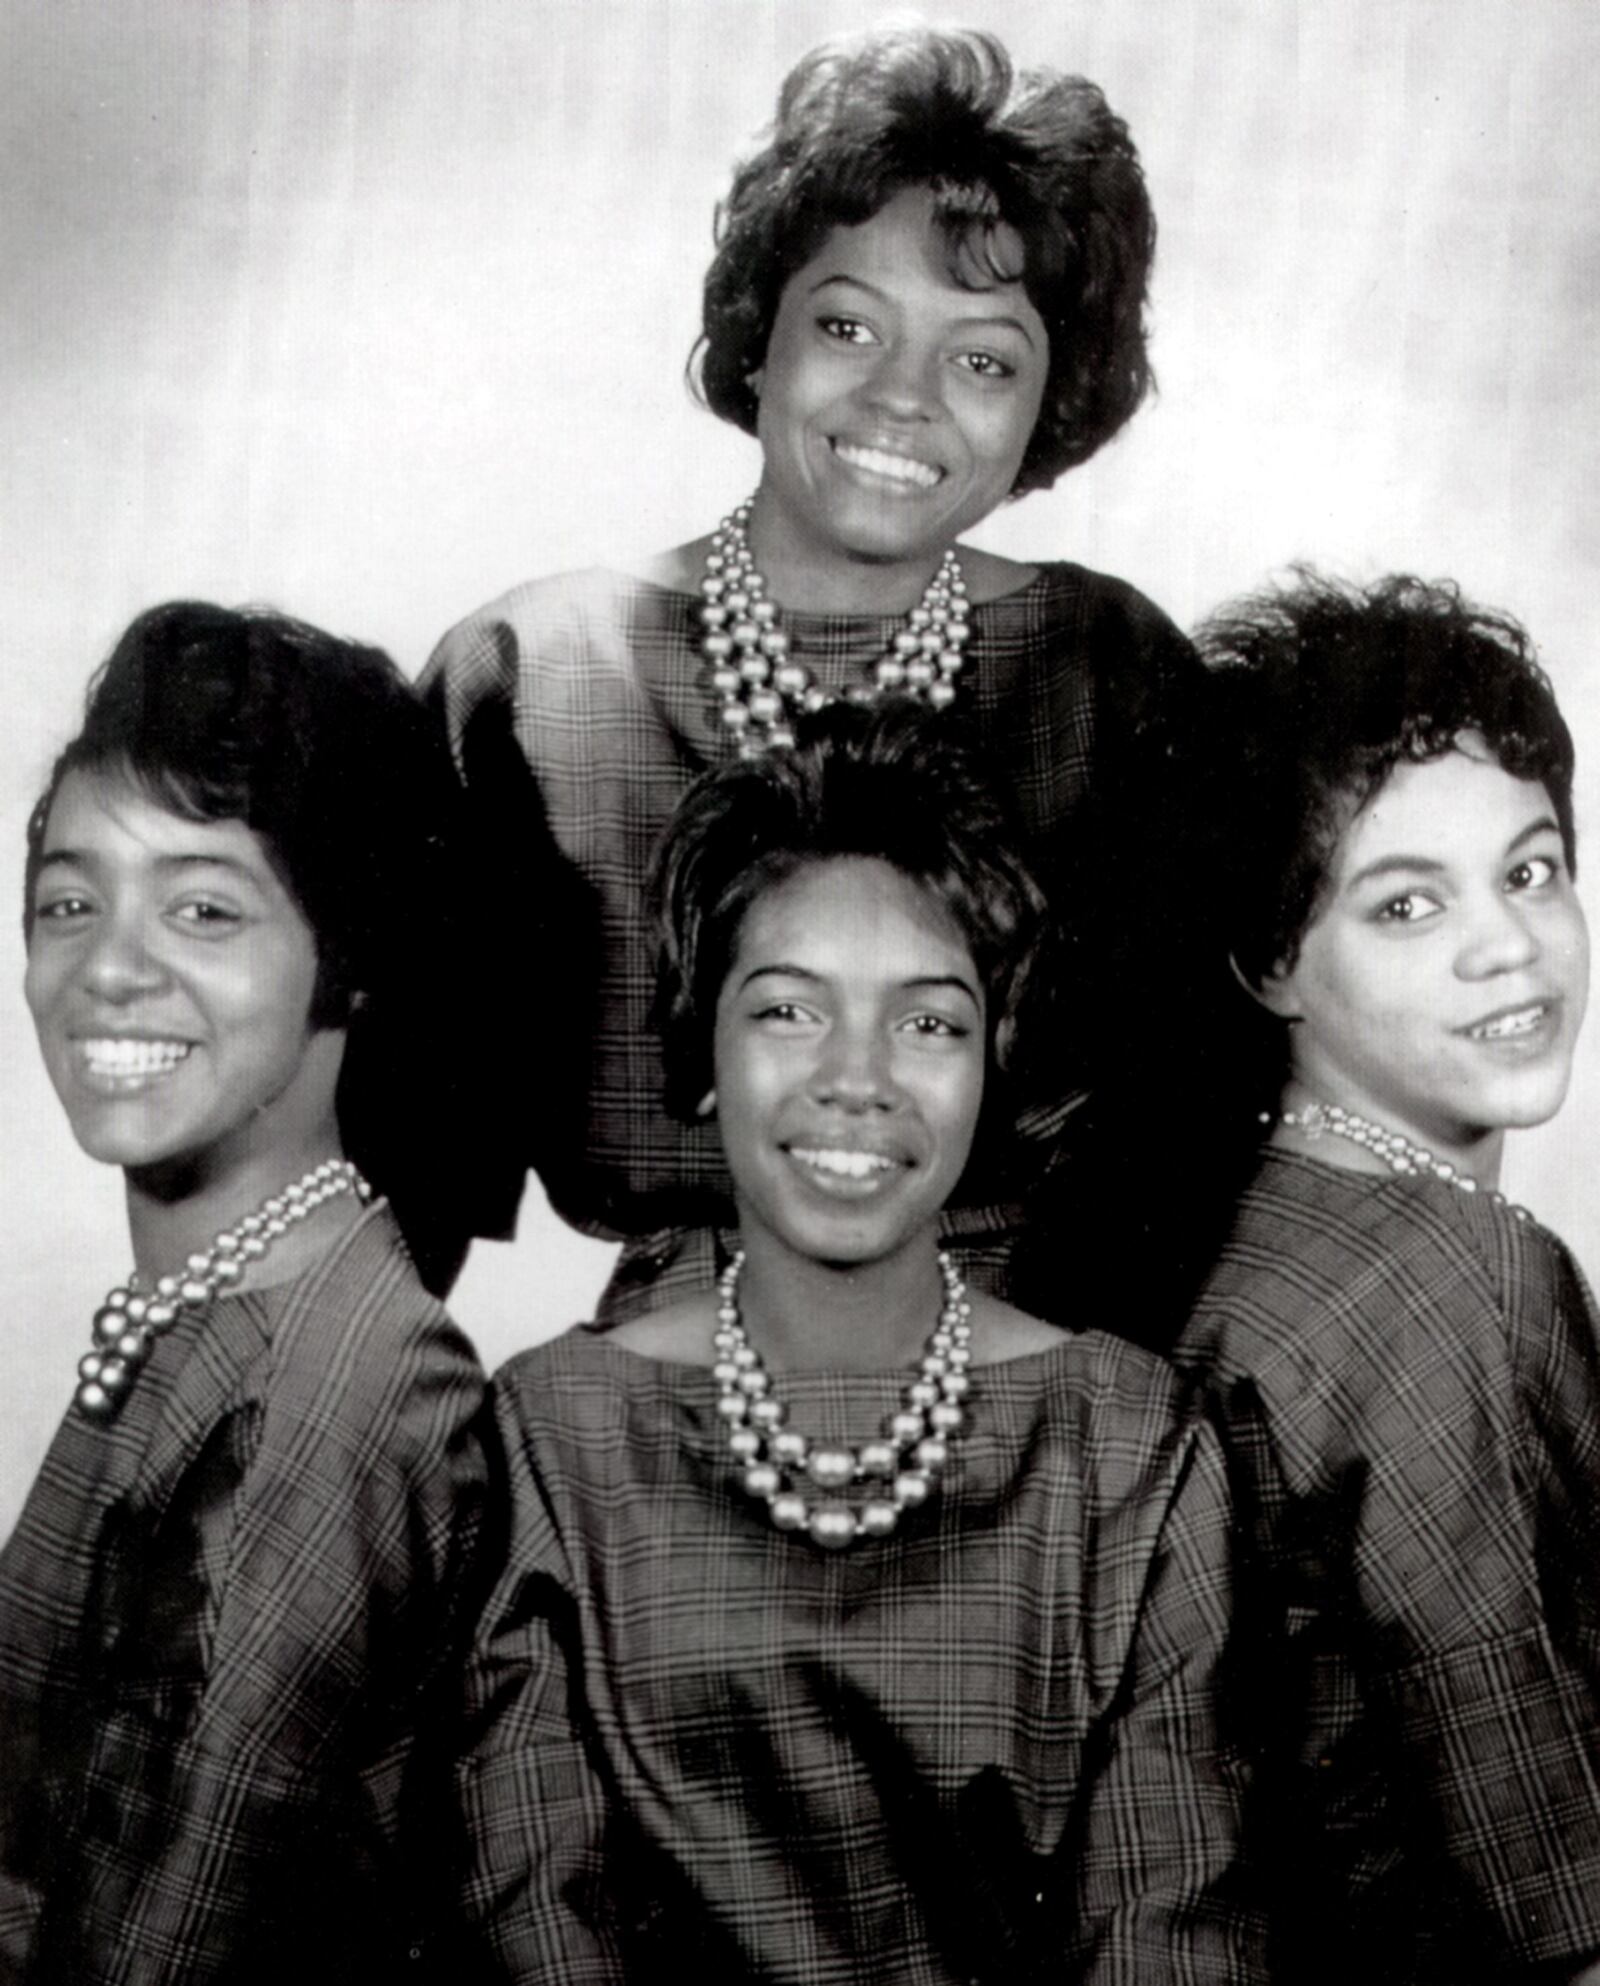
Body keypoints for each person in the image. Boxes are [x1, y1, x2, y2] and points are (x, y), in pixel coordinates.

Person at [457, 703, 1264, 1983]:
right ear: (702, 1043)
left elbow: (1173, 1943)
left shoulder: (1128, 1446)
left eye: (929, 1022)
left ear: (992, 1060)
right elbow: (532, 1930)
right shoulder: (548, 1440)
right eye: (787, 1010)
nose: (858, 1077)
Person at [423, 22, 1202, 1321]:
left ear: (1052, 396)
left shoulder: (1113, 682)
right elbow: (402, 1200)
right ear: (760, 323)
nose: (903, 399)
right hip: (653, 1428)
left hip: (1062, 1412)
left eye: (982, 358)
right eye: (850, 323)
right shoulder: (534, 687)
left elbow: (1205, 1158)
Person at [0, 603, 493, 1984]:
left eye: (204, 907)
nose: (107, 966)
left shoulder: (319, 1397)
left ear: (349, 954)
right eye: (69, 900)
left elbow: (145, 1948)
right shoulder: (221, 1313)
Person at [1173, 572, 1600, 1982]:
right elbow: (1549, 1876)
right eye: (1408, 905)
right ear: (1273, 960)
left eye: (1532, 869)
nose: (1509, 944)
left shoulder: (1246, 1232)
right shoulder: (1461, 1278)